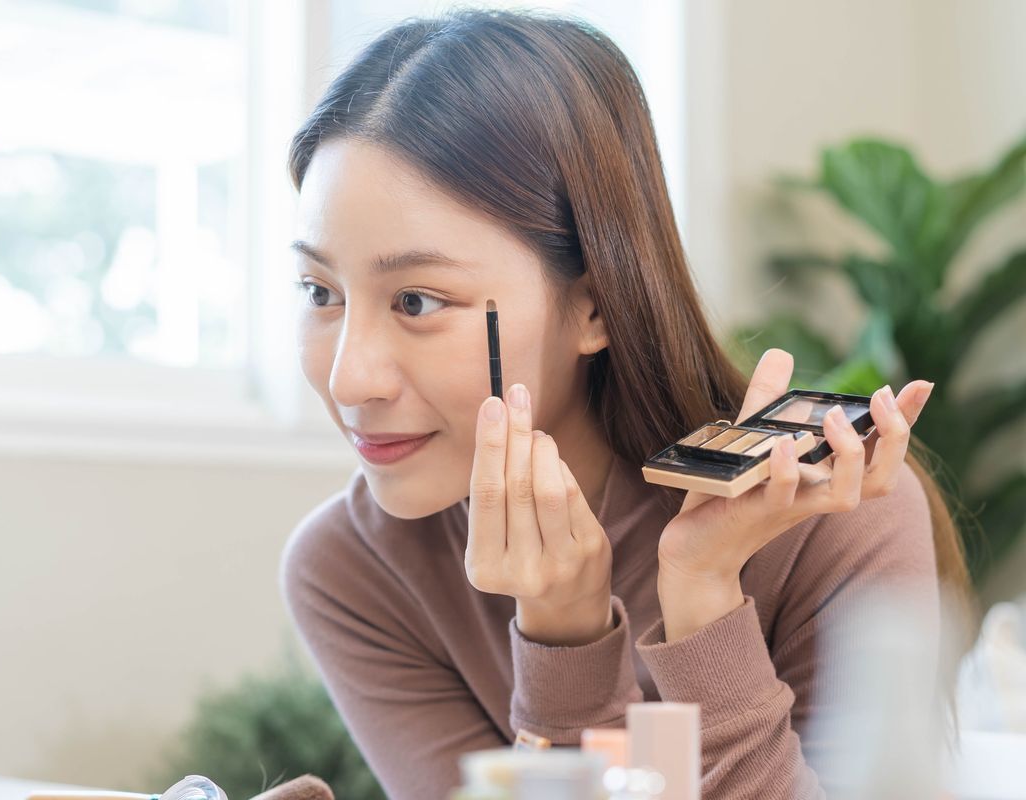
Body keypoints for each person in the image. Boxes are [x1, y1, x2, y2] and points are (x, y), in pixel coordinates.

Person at [278, 9, 970, 799]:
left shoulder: (832, 514)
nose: (349, 380)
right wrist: (564, 641)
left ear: (595, 306)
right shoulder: (352, 573)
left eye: (416, 301)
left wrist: (705, 597)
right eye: (318, 291)